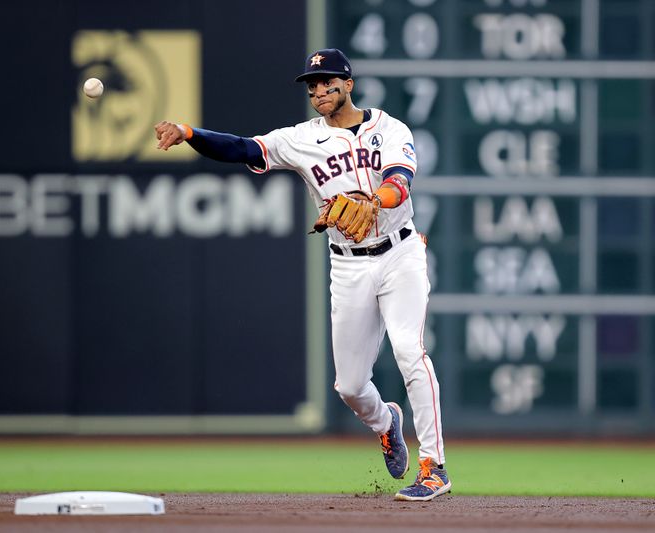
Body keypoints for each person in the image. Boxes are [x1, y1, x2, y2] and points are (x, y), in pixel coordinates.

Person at [154, 48, 451, 502]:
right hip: (348, 263)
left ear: (348, 84)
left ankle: (434, 468)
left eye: (327, 81)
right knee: (350, 385)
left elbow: (398, 179)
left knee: (411, 351)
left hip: (400, 253)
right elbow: (242, 148)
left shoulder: (390, 129)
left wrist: (375, 201)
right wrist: (190, 132)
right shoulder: (299, 139)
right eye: (311, 84)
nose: (318, 90)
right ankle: (387, 422)